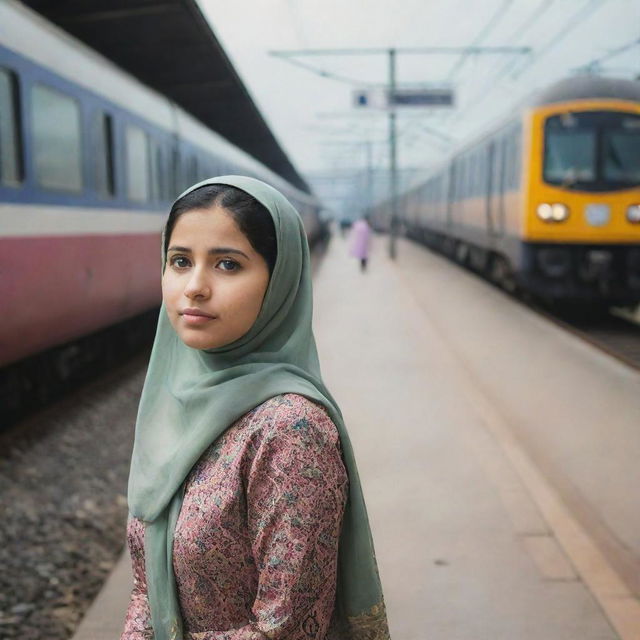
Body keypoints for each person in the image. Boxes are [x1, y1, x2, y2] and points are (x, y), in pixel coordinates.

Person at [121, 176, 390, 640]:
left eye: (228, 264)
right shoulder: (173, 402)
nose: (195, 287)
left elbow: (285, 630)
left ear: (279, 279)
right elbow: (147, 591)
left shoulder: (290, 431)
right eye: (180, 261)